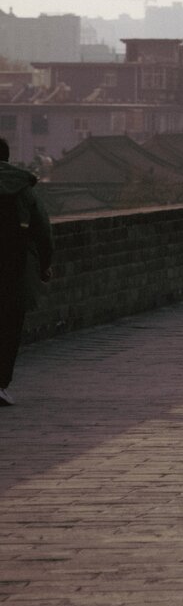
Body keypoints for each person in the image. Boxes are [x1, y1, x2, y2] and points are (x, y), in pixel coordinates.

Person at [0, 137, 55, 407]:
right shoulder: (24, 189)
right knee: (9, 328)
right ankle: (0, 385)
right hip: (15, 268)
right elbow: (43, 232)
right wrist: (45, 265)